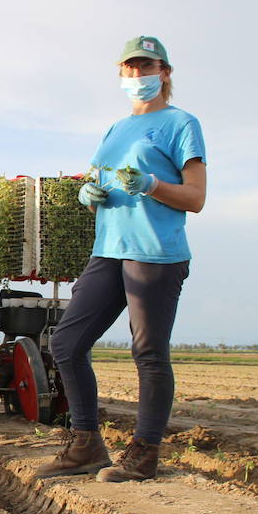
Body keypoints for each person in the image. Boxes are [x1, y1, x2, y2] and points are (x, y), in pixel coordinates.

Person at [39, 36, 206, 482]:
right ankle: (86, 444)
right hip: (109, 249)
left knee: (148, 352)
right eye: (130, 69)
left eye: (146, 67)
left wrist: (152, 184)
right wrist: (87, 194)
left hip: (155, 253)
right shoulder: (115, 129)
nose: (138, 76)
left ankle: (144, 454)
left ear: (165, 72)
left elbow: (195, 198)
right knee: (66, 344)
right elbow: (98, 180)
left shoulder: (181, 123)